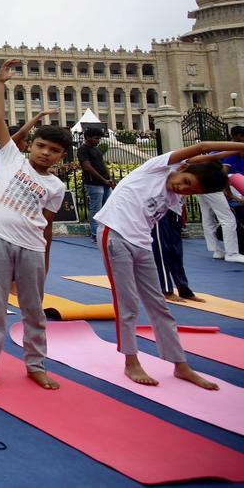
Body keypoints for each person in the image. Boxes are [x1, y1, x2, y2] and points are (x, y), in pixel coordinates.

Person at [93, 139, 244, 389]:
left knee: (159, 305)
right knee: (127, 302)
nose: (183, 189)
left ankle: (180, 364)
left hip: (142, 243)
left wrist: (233, 153)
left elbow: (204, 162)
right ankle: (131, 361)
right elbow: (202, 148)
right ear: (181, 169)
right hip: (115, 234)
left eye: (191, 192)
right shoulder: (156, 168)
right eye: (185, 183)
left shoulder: (175, 194)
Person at [0, 59, 68, 391]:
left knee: (34, 309)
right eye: (41, 146)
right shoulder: (12, 158)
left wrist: (44, 259)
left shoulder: (57, 187)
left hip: (31, 248)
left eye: (53, 150)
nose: (45, 153)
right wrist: (0, 82)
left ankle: (36, 365)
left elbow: (47, 226)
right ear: (30, 145)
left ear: (60, 157)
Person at [151, 202, 202, 302]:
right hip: (159, 208)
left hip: (176, 209)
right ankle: (166, 290)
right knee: (162, 250)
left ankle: (183, 289)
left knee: (176, 251)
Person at [79, 127, 115, 243]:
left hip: (104, 182)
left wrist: (108, 178)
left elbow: (102, 164)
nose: (98, 140)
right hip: (94, 183)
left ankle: (106, 232)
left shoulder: (97, 149)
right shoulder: (83, 150)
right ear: (87, 137)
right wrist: (102, 180)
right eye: (95, 138)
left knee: (108, 207)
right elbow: (87, 167)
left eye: (99, 138)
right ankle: (95, 234)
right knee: (96, 209)